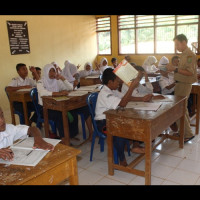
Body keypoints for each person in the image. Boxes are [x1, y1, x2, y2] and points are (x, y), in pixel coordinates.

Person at [95, 68, 143, 166]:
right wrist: (131, 88)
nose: (119, 82)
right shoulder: (105, 93)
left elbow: (126, 97)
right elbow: (123, 103)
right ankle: (122, 159)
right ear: (110, 82)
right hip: (103, 122)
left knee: (133, 121)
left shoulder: (113, 90)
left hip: (112, 118)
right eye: (117, 81)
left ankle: (132, 144)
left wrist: (142, 99)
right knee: (119, 131)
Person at [37, 64, 93, 141]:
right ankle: (64, 139)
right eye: (50, 71)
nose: (52, 73)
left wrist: (62, 78)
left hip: (58, 104)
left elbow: (70, 88)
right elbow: (42, 92)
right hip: (45, 108)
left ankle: (71, 135)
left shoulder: (56, 81)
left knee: (78, 109)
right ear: (46, 72)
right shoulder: (40, 82)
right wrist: (58, 93)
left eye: (53, 71)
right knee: (61, 114)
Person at [166, 34, 197, 143]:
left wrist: (175, 69)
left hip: (184, 84)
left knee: (180, 109)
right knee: (182, 108)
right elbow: (183, 70)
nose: (176, 46)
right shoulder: (183, 54)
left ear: (184, 42)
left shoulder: (189, 55)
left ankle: (188, 134)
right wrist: (174, 69)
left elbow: (190, 72)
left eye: (177, 44)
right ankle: (184, 131)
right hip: (180, 84)